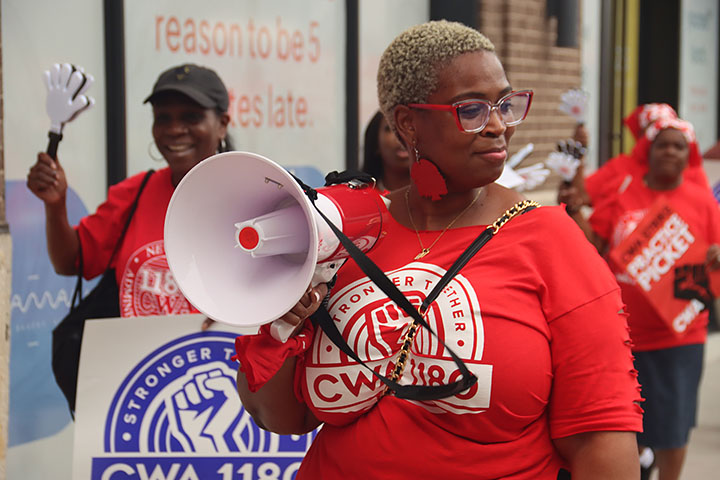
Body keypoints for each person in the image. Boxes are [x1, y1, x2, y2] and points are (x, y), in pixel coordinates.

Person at [234, 21, 642, 479]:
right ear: (408, 123)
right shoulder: (347, 233)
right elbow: (280, 417)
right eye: (471, 109)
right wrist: (283, 320)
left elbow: (601, 439)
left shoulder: (552, 242)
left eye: (505, 105)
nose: (497, 126)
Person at [564, 117, 720, 480]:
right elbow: (595, 244)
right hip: (622, 335)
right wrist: (574, 214)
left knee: (673, 428)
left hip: (680, 338)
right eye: (662, 144)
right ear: (648, 151)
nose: (670, 152)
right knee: (623, 426)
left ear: (688, 156)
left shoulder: (702, 201)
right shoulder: (624, 192)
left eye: (678, 146)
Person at [26, 63, 231, 318]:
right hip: (139, 346)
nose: (174, 130)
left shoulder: (250, 195)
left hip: (223, 345)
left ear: (222, 124)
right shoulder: (134, 194)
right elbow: (70, 262)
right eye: (163, 118)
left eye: (191, 117)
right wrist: (56, 205)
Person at [562, 103, 710, 213]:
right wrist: (578, 155)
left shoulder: (693, 172)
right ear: (641, 136)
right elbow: (582, 196)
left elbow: (706, 214)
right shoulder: (620, 167)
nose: (669, 151)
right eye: (654, 132)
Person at [361, 110, 411, 192]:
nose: (401, 136)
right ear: (375, 143)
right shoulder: (361, 194)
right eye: (391, 129)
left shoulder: (432, 195)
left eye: (410, 128)